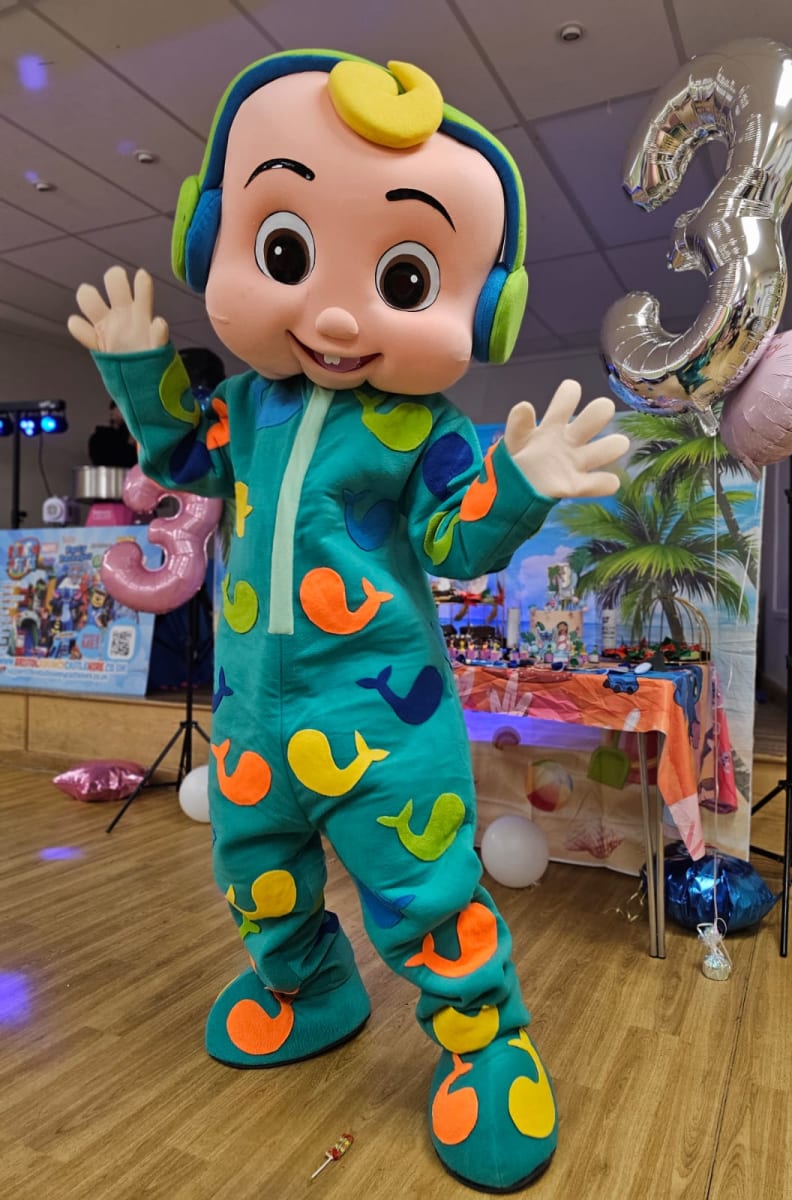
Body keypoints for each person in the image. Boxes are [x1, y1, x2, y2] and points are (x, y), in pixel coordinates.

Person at [67, 51, 628, 1193]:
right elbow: (182, 455)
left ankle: (487, 1043)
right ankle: (308, 983)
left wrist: (519, 485)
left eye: (404, 279)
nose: (332, 311)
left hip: (384, 724)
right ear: (213, 237)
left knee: (423, 894)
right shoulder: (243, 406)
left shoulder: (426, 432)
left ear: (484, 308)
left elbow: (456, 540)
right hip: (254, 715)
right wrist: (136, 372)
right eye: (286, 254)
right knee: (254, 869)